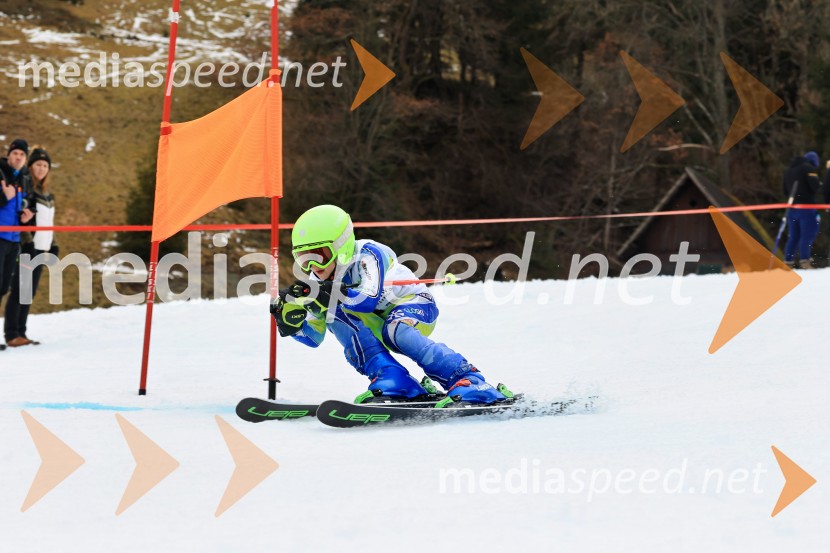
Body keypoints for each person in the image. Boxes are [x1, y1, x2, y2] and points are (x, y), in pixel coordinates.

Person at [270, 204, 511, 406]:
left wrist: (326, 295)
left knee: (397, 331)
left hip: (415, 305)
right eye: (303, 259)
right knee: (336, 314)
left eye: (319, 255)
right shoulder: (317, 280)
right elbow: (314, 338)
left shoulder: (369, 254)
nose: (313, 267)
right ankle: (394, 379)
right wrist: (292, 323)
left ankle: (469, 379)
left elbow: (367, 299)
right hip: (378, 320)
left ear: (341, 245)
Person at [4, 148, 57, 346]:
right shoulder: (26, 190)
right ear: (30, 166)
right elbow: (21, 219)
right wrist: (27, 243)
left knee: (30, 292)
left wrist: (54, 245)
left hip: (43, 247)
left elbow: (49, 222)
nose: (41, 169)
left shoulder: (47, 195)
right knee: (20, 290)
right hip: (27, 246)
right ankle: (11, 334)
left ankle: (21, 332)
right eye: (38, 165)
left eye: (45, 166)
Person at [0, 139, 33, 347]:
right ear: (9, 154)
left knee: (3, 288)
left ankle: (10, 336)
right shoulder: (1, 173)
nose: (18, 157)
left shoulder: (23, 178)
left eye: (22, 154)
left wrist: (26, 215)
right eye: (15, 153)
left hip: (14, 239)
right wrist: (4, 197)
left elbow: (24, 203)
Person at [783, 151, 821, 269]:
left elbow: (784, 191)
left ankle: (787, 262)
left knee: (794, 236)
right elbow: (815, 186)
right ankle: (805, 261)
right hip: (806, 208)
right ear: (814, 162)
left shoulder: (789, 170)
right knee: (807, 234)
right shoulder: (808, 168)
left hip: (792, 208)